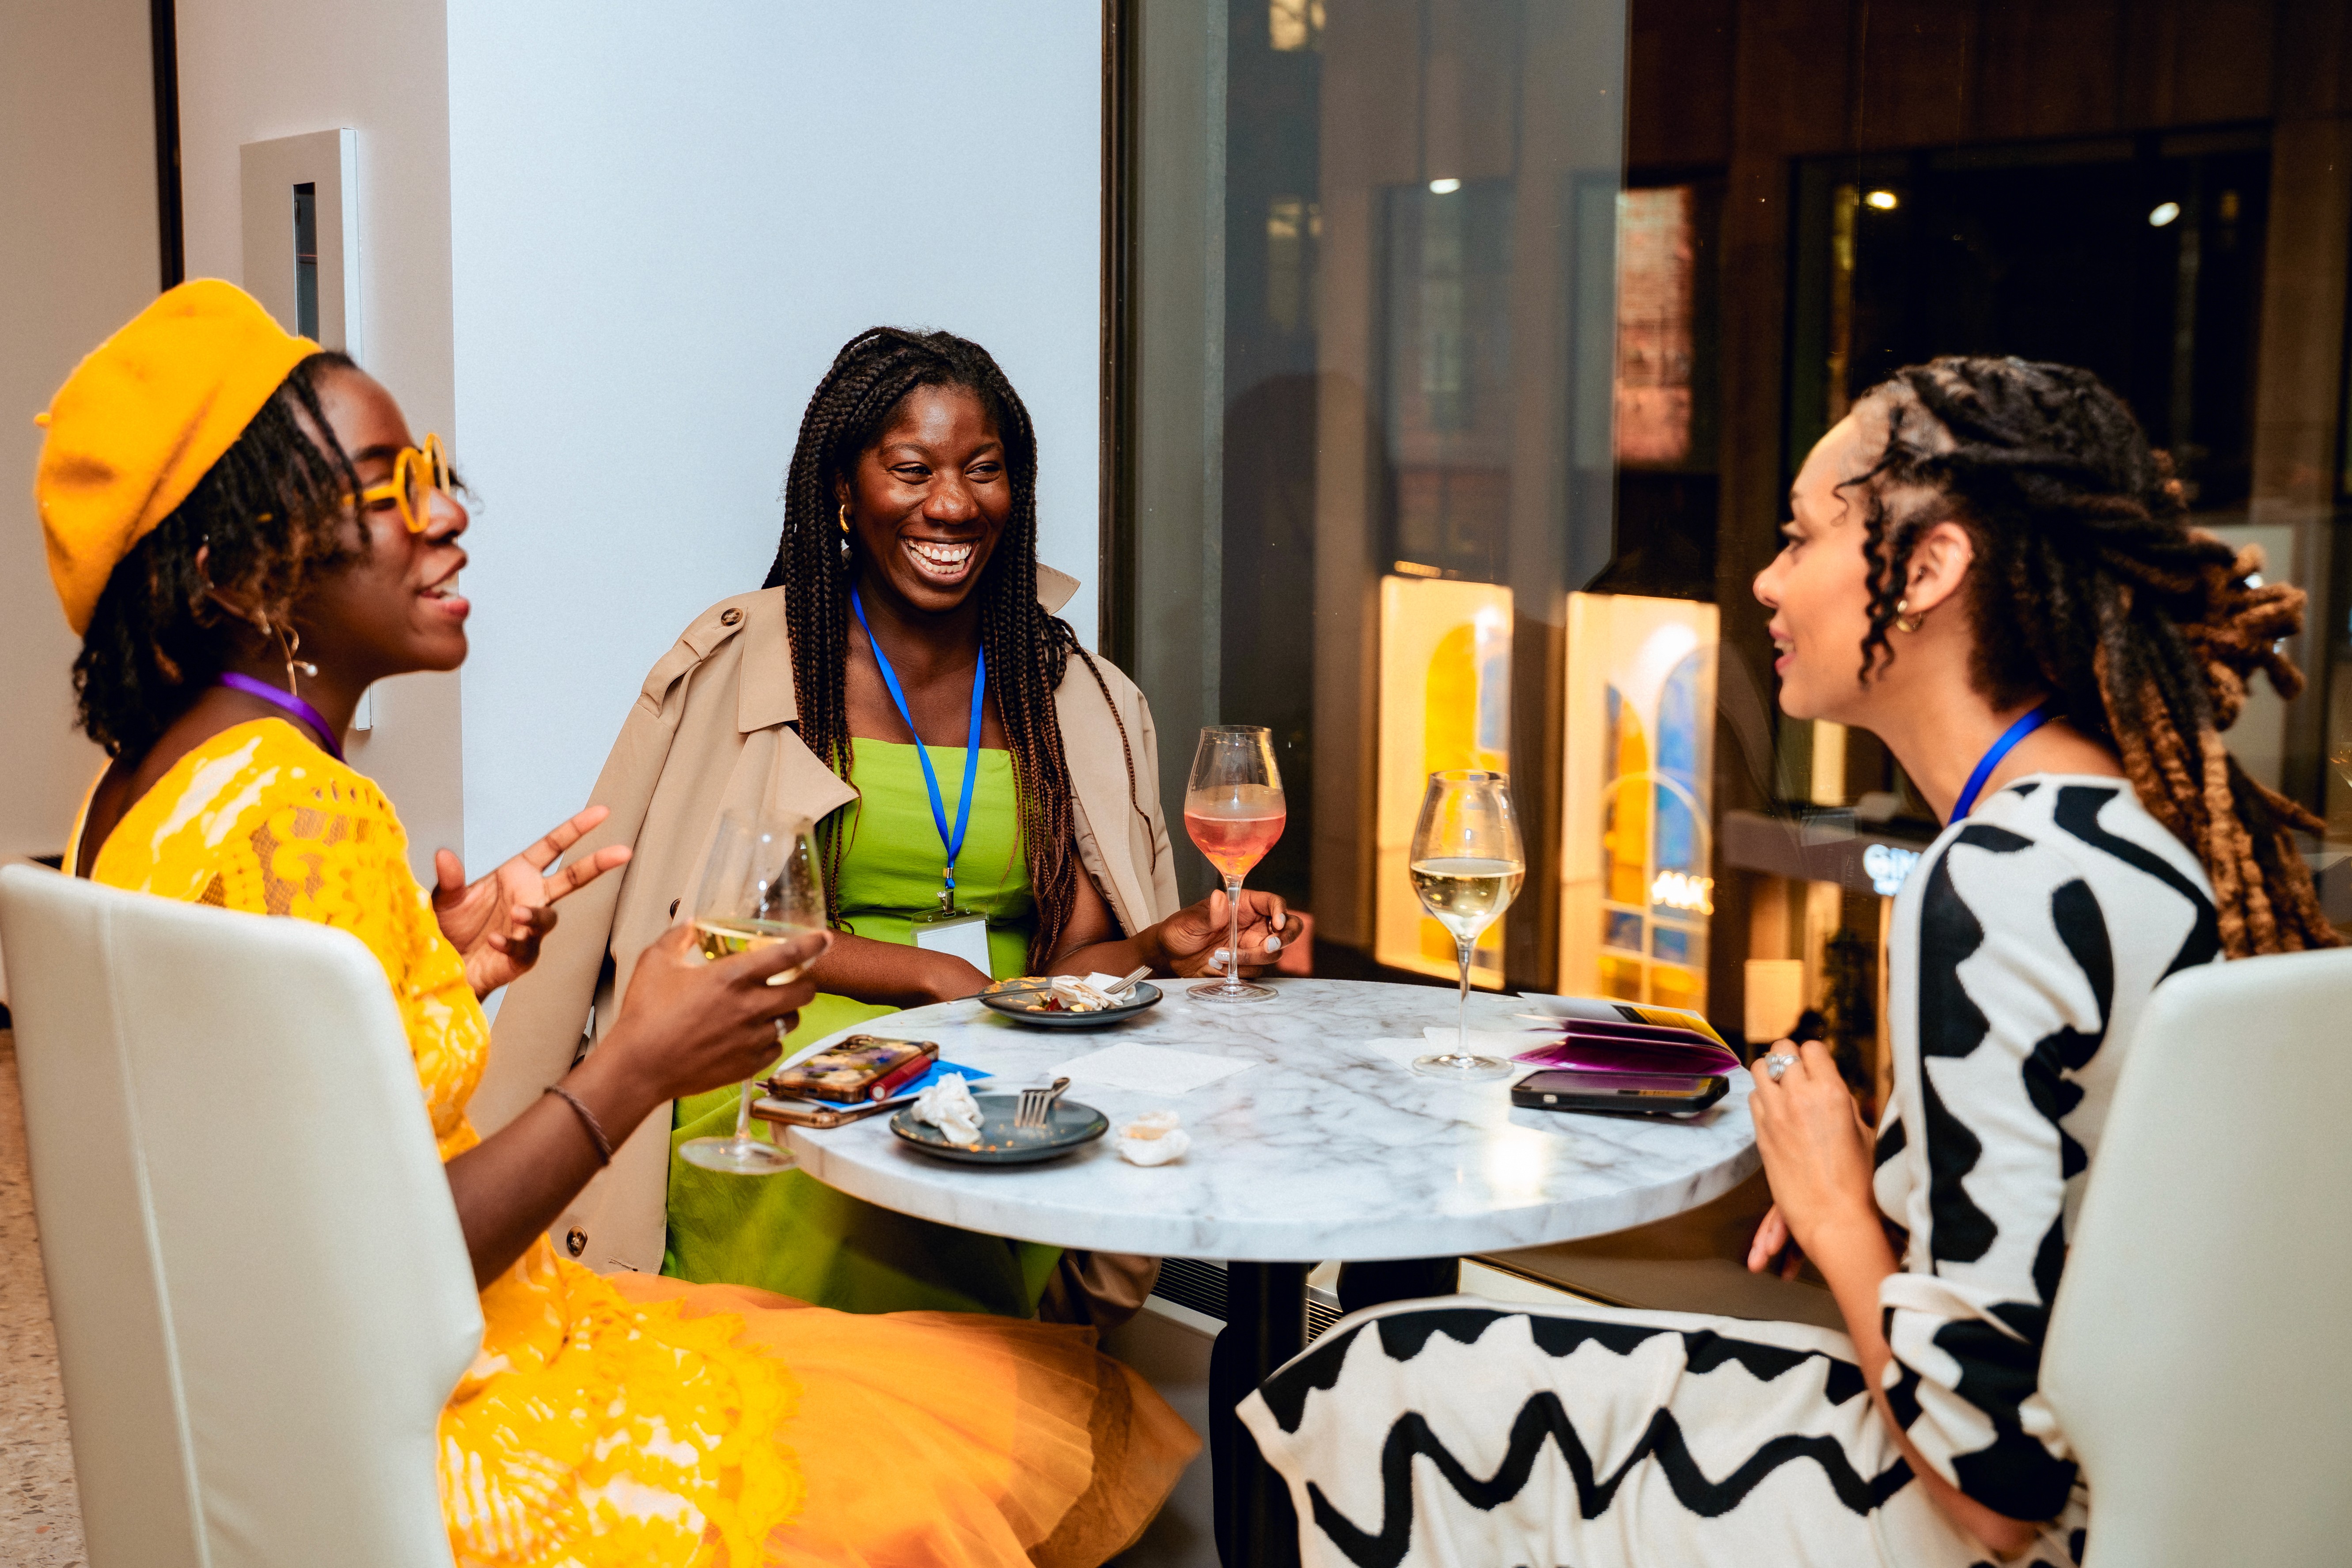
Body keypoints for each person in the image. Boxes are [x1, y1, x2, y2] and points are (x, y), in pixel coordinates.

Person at [45, 280, 1195, 1566]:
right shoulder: (305, 815)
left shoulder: (150, 790)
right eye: (385, 486)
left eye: (435, 471)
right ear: (233, 568)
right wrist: (628, 1066)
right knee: (1001, 1418)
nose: (448, 515)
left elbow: (266, 1133)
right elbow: (380, 1270)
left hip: (330, 1391)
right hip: (462, 1422)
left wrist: (440, 963)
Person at [1235, 356, 2338, 1567]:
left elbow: (1993, 1482)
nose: (1763, 578)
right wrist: (1872, 1191)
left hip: (1973, 1531)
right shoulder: (2135, 842)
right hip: (2134, 1498)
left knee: (1370, 1380)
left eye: (1803, 535)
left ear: (1927, 569)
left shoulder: (1989, 882)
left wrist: (1826, 1202)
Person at [492, 326, 1290, 1318]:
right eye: (911, 469)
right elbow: (713, 923)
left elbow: (1069, 963)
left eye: (983, 470)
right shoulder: (750, 663)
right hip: (784, 1033)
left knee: (1024, 1130)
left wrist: (1156, 943)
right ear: (841, 488)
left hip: (1002, 1040)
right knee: (875, 1155)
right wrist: (923, 974)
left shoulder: (1071, 692)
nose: (951, 504)